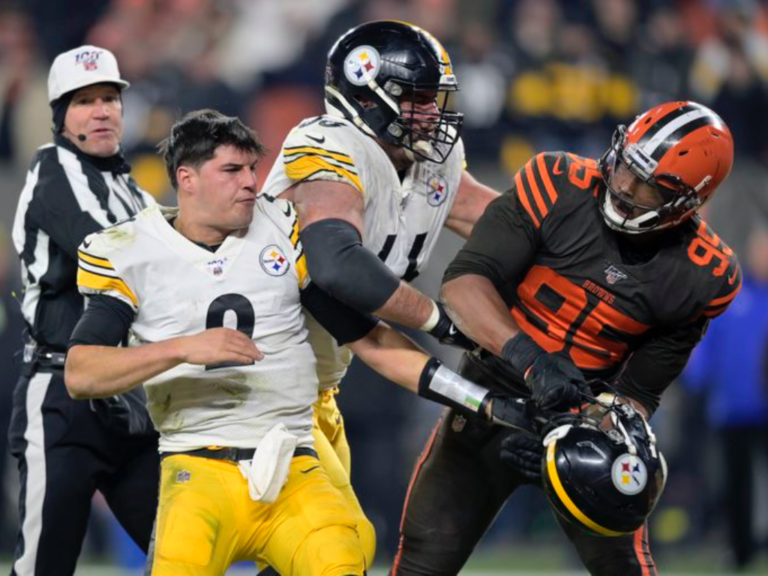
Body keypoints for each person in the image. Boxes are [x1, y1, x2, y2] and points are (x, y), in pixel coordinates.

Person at [63, 109, 521, 576]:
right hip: (198, 468)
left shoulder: (283, 227)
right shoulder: (130, 251)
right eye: (231, 170)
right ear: (187, 178)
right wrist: (181, 348)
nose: (250, 183)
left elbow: (373, 342)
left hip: (292, 460)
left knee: (347, 554)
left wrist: (481, 401)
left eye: (251, 169)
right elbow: (80, 373)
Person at [391, 100, 742, 576]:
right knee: (424, 560)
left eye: (648, 184)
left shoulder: (704, 275)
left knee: (624, 567)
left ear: (687, 203)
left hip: (588, 416)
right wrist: (533, 360)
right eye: (627, 165)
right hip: (490, 391)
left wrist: (571, 437)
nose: (625, 186)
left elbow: (636, 395)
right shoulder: (556, 181)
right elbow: (463, 286)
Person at [260, 20, 500, 564]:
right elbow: (337, 265)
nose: (432, 113)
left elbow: (502, 223)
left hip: (318, 386)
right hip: (257, 387)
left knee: (317, 555)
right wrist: (441, 321)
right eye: (417, 99)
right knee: (337, 550)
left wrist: (583, 229)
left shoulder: (428, 160)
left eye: (434, 98)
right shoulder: (329, 144)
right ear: (367, 97)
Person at [9, 45, 157, 576]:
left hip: (129, 395)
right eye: (84, 101)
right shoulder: (54, 168)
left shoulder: (130, 186)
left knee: (184, 554)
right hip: (62, 399)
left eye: (109, 98)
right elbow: (106, 251)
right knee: (44, 567)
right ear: (60, 116)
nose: (101, 111)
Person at [682, 226, 768, 569]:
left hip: (764, 406)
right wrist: (696, 379)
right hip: (733, 407)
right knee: (736, 483)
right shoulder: (733, 297)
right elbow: (706, 346)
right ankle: (740, 550)